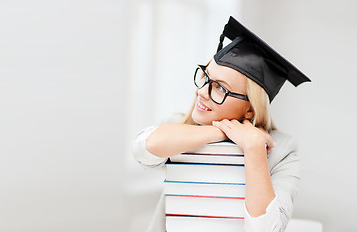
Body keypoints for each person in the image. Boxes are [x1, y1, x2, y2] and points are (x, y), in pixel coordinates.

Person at [131, 16, 311, 232]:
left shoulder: (282, 151)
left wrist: (254, 148)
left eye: (219, 88)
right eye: (206, 78)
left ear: (251, 108)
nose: (201, 92)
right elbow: (143, 149)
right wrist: (221, 131)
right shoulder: (181, 128)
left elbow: (266, 229)